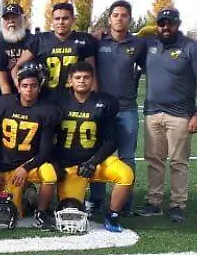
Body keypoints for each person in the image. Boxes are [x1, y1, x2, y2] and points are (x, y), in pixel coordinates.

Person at [136, 8, 197, 223]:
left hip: (180, 115)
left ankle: (178, 204)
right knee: (154, 160)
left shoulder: (190, 48)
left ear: (178, 23)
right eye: (161, 23)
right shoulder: (149, 44)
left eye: (170, 23)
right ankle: (154, 202)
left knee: (178, 161)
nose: (165, 27)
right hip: (152, 112)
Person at [52, 62, 135, 232]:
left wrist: (93, 162)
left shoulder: (104, 102)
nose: (82, 81)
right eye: (78, 78)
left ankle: (112, 214)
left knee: (126, 175)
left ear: (92, 80)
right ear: (70, 80)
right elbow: (49, 138)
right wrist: (55, 163)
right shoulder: (58, 102)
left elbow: (112, 140)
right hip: (71, 167)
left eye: (86, 77)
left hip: (96, 162)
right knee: (71, 213)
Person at [91, 0, 147, 214]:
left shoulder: (138, 44)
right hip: (101, 109)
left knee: (127, 157)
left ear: (129, 19)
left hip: (126, 109)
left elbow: (150, 65)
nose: (119, 18)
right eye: (115, 15)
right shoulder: (98, 41)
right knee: (98, 154)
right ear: (109, 18)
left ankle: (124, 202)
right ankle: (96, 199)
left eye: (124, 15)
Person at [0, 69, 61, 229]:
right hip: (7, 163)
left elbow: (45, 151)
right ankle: (28, 197)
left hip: (32, 162)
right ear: (18, 86)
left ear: (39, 88)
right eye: (25, 86)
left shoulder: (47, 110)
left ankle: (41, 212)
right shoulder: (4, 103)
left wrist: (26, 168)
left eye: (33, 86)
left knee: (49, 174)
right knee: (15, 212)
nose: (29, 90)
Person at [13, 2, 98, 99]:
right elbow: (16, 67)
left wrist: (93, 98)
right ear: (52, 20)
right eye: (57, 19)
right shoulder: (39, 40)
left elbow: (92, 72)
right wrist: (18, 85)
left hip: (74, 99)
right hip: (45, 97)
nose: (61, 22)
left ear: (73, 19)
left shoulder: (84, 40)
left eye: (65, 18)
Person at [0, 3, 33, 95]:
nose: (11, 21)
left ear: (23, 19)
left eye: (14, 17)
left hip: (30, 93)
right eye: (7, 18)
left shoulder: (33, 40)